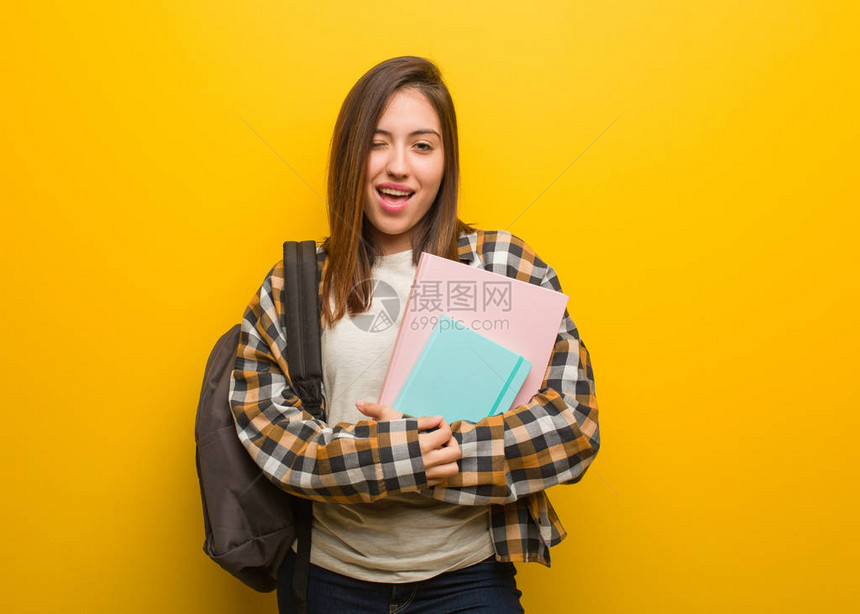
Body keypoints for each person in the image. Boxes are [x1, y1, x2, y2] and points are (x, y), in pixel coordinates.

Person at [228, 56, 601, 614]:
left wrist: (437, 454)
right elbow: (272, 438)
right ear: (350, 155)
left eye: (422, 146)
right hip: (332, 583)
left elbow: (573, 424)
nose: (398, 166)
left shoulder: (502, 265)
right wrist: (396, 455)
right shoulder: (297, 283)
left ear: (446, 162)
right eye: (378, 143)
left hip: (468, 579)